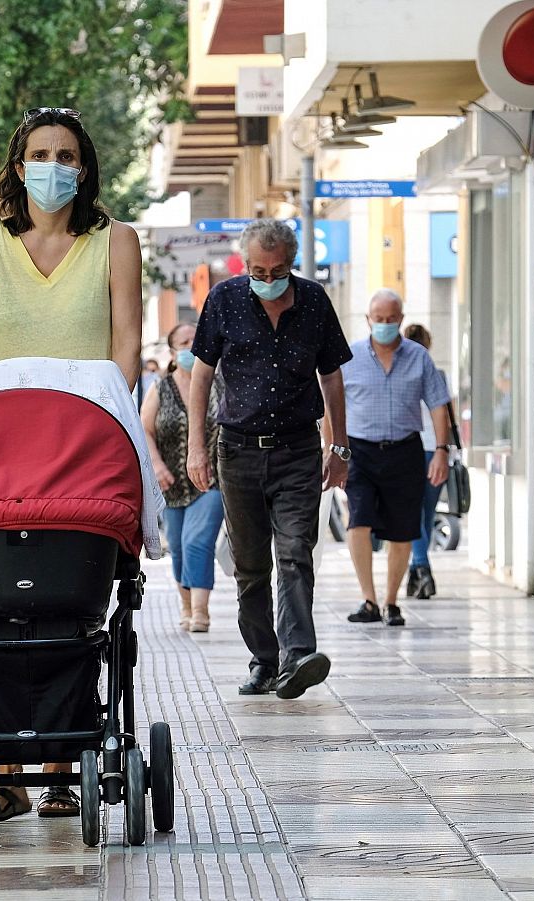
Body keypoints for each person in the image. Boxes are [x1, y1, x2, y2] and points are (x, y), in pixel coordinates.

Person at [0, 106, 143, 821]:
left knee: (71, 608)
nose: (54, 166)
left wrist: (108, 425)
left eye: (67, 154)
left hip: (84, 455)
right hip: (0, 453)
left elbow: (127, 345)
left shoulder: (115, 242)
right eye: (41, 152)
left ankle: (66, 769)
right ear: (18, 162)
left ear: (85, 166)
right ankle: (7, 774)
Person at [185, 218, 351, 699]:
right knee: (250, 567)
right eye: (258, 270)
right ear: (246, 265)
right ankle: (265, 659)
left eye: (277, 269)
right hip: (237, 450)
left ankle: (299, 654)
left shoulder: (314, 301)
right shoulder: (225, 299)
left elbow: (333, 378)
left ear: (292, 264)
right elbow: (201, 376)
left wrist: (337, 446)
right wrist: (198, 446)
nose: (267, 279)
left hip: (298, 448)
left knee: (296, 552)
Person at [337, 291, 450, 628]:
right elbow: (333, 406)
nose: (384, 325)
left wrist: (441, 451)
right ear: (368, 319)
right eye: (378, 318)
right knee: (358, 521)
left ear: (401, 319)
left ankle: (391, 601)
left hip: (404, 450)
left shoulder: (419, 358)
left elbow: (438, 405)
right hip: (360, 451)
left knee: (403, 529)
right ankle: (369, 600)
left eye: (391, 319)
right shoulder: (350, 357)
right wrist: (334, 450)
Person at [142, 323, 225, 632]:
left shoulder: (220, 383)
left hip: (213, 479)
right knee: (177, 545)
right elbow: (144, 429)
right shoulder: (160, 388)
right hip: (172, 481)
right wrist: (157, 465)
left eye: (197, 340)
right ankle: (187, 605)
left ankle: (201, 612)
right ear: (173, 351)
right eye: (185, 341)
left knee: (196, 541)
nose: (192, 345)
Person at [402, 323, 451, 599]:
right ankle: (416, 573)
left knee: (414, 516)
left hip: (413, 448)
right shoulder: (439, 374)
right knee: (425, 515)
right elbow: (447, 411)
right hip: (436, 450)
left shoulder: (402, 370)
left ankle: (421, 568)